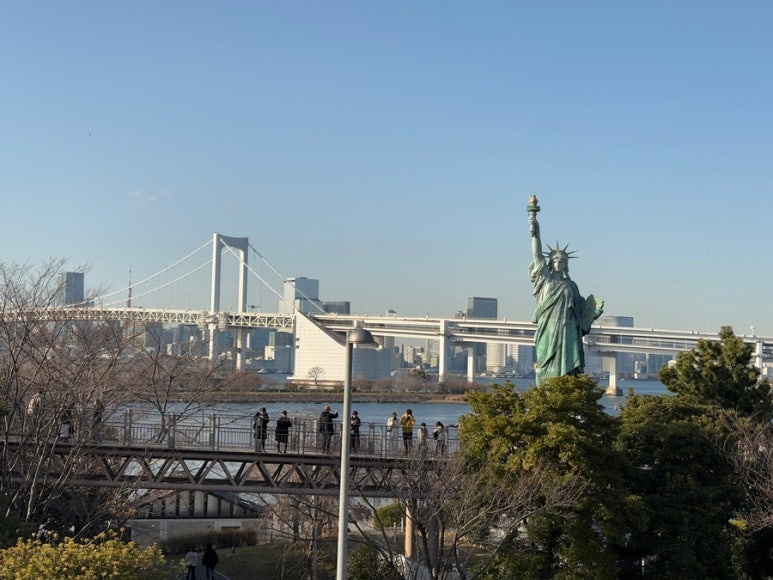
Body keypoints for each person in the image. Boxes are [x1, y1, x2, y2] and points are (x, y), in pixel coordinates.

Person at [528, 195, 604, 385]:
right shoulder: (544, 278)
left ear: (566, 264)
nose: (559, 263)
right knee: (546, 364)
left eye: (562, 261)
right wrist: (534, 224)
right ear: (550, 263)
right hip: (549, 327)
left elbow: (580, 315)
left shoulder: (571, 285)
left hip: (569, 330)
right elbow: (536, 253)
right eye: (555, 260)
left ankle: (568, 392)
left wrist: (592, 314)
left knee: (569, 372)